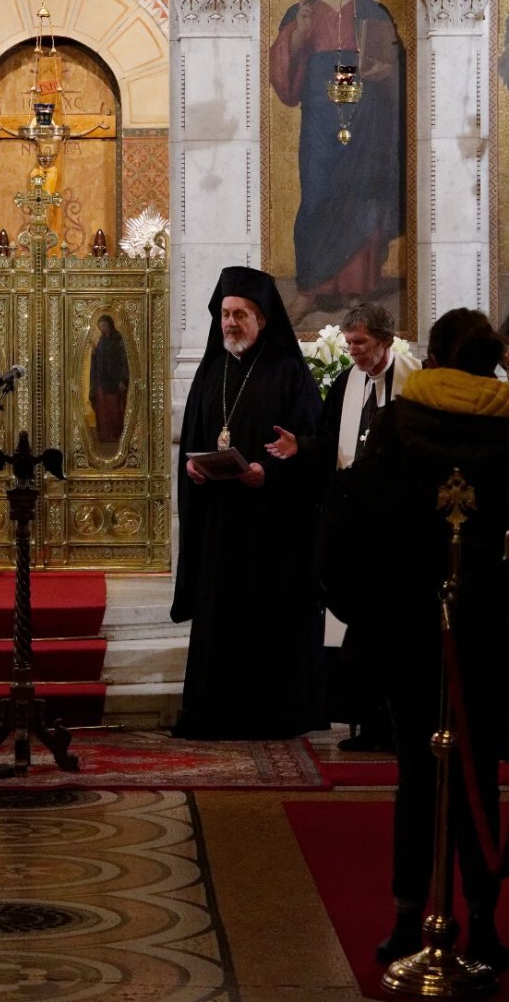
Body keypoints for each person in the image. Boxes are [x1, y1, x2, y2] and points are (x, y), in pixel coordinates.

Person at [340, 309, 509, 966]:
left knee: (417, 772)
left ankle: (409, 918)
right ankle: (485, 924)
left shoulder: (402, 422)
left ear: (433, 359)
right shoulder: (504, 423)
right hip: (491, 627)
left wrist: (373, 611)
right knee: (480, 774)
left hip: (413, 627)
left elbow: (365, 525)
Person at [171, 265, 322, 739]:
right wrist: (193, 469)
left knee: (264, 622)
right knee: (219, 620)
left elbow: (311, 441)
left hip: (270, 528)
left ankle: (268, 716)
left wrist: (270, 470)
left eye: (241, 314)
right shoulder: (210, 370)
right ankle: (213, 714)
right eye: (225, 313)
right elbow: (195, 439)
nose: (231, 323)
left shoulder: (288, 372)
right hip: (219, 524)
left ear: (263, 319)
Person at [265, 302, 421, 749]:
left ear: (386, 341)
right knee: (361, 626)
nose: (353, 351)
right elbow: (331, 440)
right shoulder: (346, 382)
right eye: (349, 342)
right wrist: (303, 447)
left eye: (361, 343)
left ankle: (400, 724)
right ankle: (371, 725)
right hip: (356, 522)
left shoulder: (416, 379)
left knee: (394, 630)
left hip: (399, 524)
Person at [269, 0, 404, 325]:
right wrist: (298, 34)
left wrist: (385, 72)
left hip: (368, 118)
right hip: (320, 119)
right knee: (316, 194)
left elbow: (395, 65)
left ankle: (355, 291)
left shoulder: (374, 13)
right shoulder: (303, 12)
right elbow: (282, 74)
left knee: (362, 196)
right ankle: (311, 289)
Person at [89, 314, 129, 444]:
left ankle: (115, 435)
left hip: (114, 381)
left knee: (113, 410)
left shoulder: (118, 339)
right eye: (100, 327)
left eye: (104, 326)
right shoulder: (101, 340)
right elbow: (99, 359)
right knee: (102, 409)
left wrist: (122, 379)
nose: (102, 329)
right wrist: (94, 354)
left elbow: (123, 361)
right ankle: (104, 436)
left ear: (110, 325)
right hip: (101, 380)